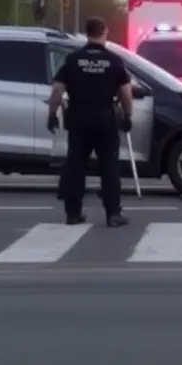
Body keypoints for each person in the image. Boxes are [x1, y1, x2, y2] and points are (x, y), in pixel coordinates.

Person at [47, 16, 132, 227]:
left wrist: (52, 114)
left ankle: (73, 213)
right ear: (104, 32)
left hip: (78, 118)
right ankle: (113, 213)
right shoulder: (114, 60)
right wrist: (127, 115)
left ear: (87, 33)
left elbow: (57, 90)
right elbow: (125, 92)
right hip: (105, 119)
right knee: (109, 166)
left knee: (76, 165)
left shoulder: (73, 59)